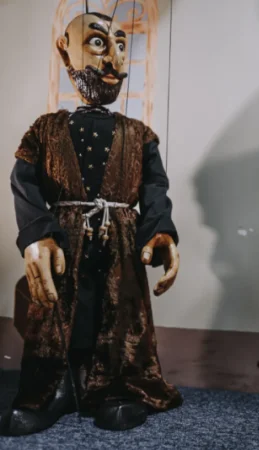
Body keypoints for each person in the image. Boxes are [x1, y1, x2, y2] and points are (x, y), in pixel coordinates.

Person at [0, 11, 182, 435]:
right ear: (66, 51)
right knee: (65, 307)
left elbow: (155, 188)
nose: (114, 59)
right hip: (64, 238)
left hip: (121, 240)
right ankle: (57, 386)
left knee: (117, 309)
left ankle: (115, 388)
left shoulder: (140, 135)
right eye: (99, 43)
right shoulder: (45, 130)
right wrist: (36, 235)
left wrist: (161, 230)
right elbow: (24, 181)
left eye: (121, 46)